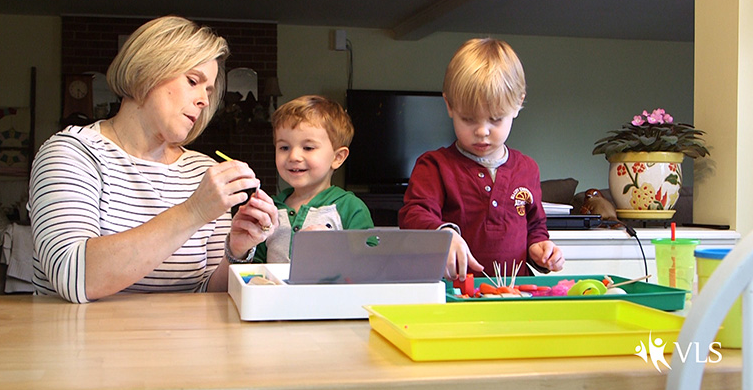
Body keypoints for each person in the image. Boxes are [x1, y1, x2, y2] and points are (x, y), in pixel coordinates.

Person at [29, 16, 279, 303]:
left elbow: (206, 294)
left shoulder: (204, 171)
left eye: (209, 91)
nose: (205, 101)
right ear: (147, 71)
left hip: (180, 345)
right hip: (84, 345)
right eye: (193, 81)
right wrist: (193, 212)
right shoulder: (72, 153)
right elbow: (72, 276)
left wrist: (236, 251)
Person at [398, 38, 564, 281]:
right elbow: (413, 214)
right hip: (453, 296)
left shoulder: (527, 168)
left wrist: (540, 249)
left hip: (515, 295)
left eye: (495, 119)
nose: (482, 131)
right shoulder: (434, 166)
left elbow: (535, 227)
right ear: (450, 106)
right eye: (468, 119)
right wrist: (444, 234)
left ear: (517, 104)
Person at [251, 95, 374, 263]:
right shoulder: (270, 210)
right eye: (284, 147)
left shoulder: (350, 208)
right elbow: (254, 267)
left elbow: (370, 265)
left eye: (308, 147)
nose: (293, 156)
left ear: (337, 157)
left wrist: (337, 248)